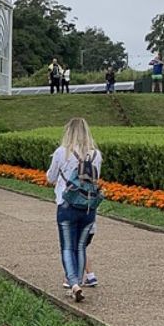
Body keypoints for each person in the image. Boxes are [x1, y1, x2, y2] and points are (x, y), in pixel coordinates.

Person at [45, 117, 102, 303]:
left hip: (66, 204)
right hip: (88, 207)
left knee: (67, 247)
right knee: (80, 247)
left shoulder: (62, 152)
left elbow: (51, 177)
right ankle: (77, 282)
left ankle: (74, 283)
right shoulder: (96, 155)